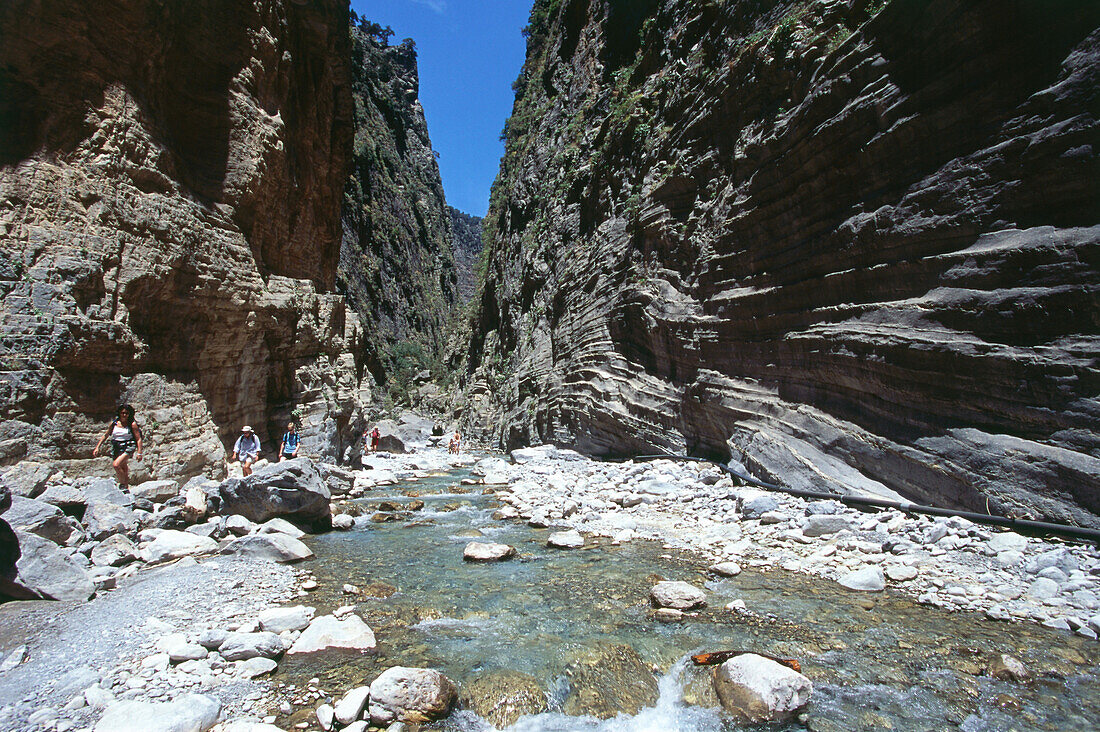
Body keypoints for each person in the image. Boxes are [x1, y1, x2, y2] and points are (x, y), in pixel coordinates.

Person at [93, 404, 143, 490]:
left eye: (127, 413)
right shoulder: (114, 423)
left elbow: (138, 439)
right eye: (122, 413)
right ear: (119, 413)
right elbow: (106, 435)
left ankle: (122, 484)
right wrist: (97, 447)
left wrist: (139, 452)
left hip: (128, 446)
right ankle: (126, 487)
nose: (124, 415)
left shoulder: (132, 424)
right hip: (116, 447)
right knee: (123, 466)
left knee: (116, 465)